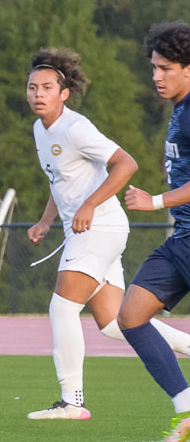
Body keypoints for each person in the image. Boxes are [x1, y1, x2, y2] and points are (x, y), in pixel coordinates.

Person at [25, 47, 149, 419]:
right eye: (32, 88)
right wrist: (46, 221)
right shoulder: (39, 129)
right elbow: (59, 181)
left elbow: (127, 163)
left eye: (47, 87)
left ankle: (71, 403)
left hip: (99, 226)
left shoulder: (75, 127)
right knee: (116, 325)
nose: (38, 94)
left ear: (64, 94)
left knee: (62, 308)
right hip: (93, 229)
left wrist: (90, 205)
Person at [120, 21, 190, 442]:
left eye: (165, 67)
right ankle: (187, 406)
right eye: (153, 68)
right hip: (183, 239)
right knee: (131, 315)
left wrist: (157, 201)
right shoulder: (179, 110)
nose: (156, 76)